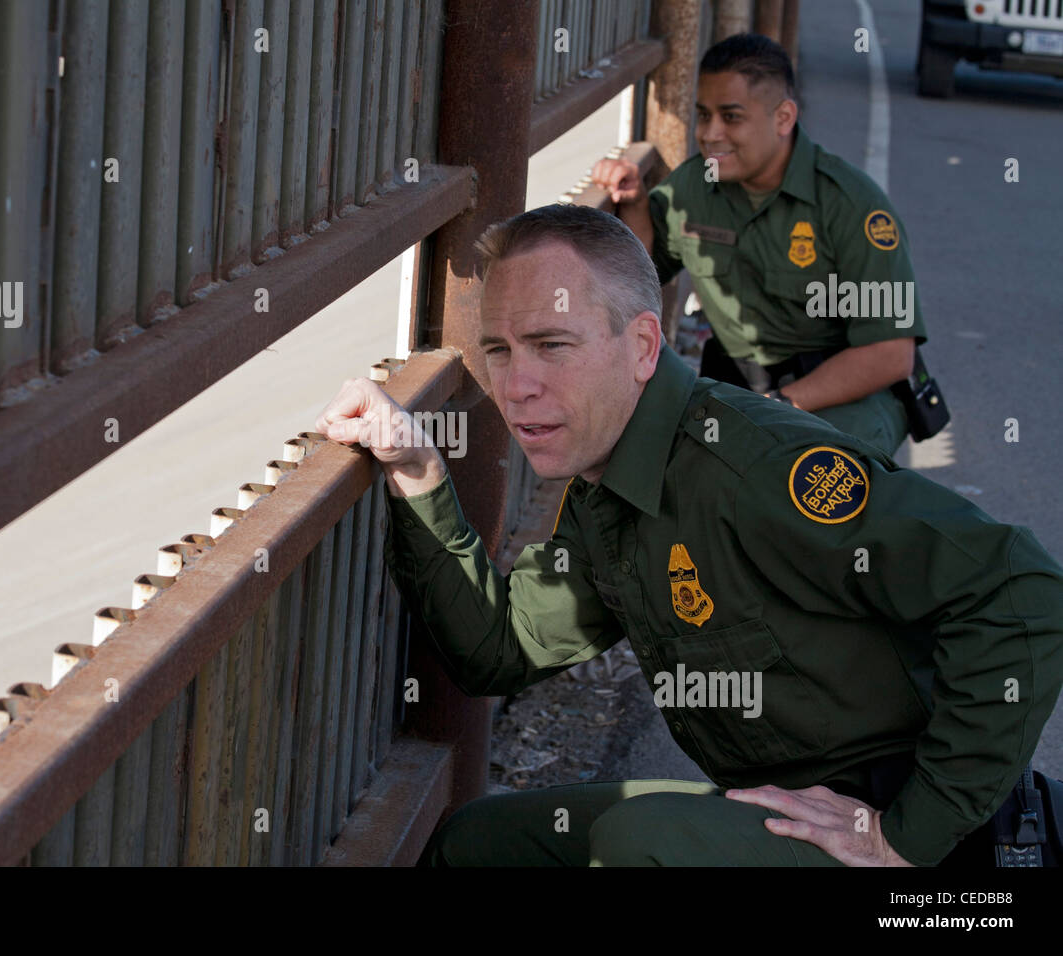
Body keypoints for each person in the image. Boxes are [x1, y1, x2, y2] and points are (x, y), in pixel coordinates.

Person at [314, 203, 1063, 866]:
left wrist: (905, 838)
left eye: (552, 345)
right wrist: (418, 473)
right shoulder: (609, 483)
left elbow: (1022, 592)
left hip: (919, 839)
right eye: (500, 351)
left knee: (642, 843)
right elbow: (500, 649)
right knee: (480, 845)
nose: (517, 386)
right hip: (785, 811)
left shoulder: (756, 467)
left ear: (643, 346)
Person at [591, 33, 925, 455]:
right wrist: (636, 201)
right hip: (739, 383)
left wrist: (780, 406)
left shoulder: (852, 206)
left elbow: (891, 353)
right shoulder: (695, 185)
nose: (710, 133)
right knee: (667, 469)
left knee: (817, 473)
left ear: (783, 118)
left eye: (731, 117)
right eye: (703, 115)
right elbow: (641, 274)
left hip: (840, 391)